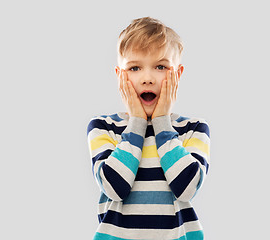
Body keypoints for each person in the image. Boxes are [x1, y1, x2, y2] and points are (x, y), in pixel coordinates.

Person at [87, 16, 211, 240]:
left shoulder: (194, 129)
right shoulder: (103, 128)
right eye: (134, 68)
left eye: (161, 66)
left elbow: (187, 189)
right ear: (120, 76)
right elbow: (115, 188)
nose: (147, 78)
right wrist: (137, 122)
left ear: (178, 74)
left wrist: (162, 121)